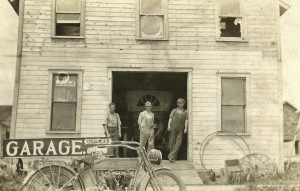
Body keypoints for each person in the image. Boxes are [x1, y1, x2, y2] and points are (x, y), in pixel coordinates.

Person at [167, 98, 188, 163]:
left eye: (181, 103)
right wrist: (169, 126)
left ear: (183, 103)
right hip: (173, 127)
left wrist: (185, 128)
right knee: (172, 142)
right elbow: (170, 118)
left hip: (181, 128)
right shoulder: (174, 110)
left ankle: (171, 155)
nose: (179, 104)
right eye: (178, 103)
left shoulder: (185, 111)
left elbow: (186, 120)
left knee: (179, 142)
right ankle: (173, 157)